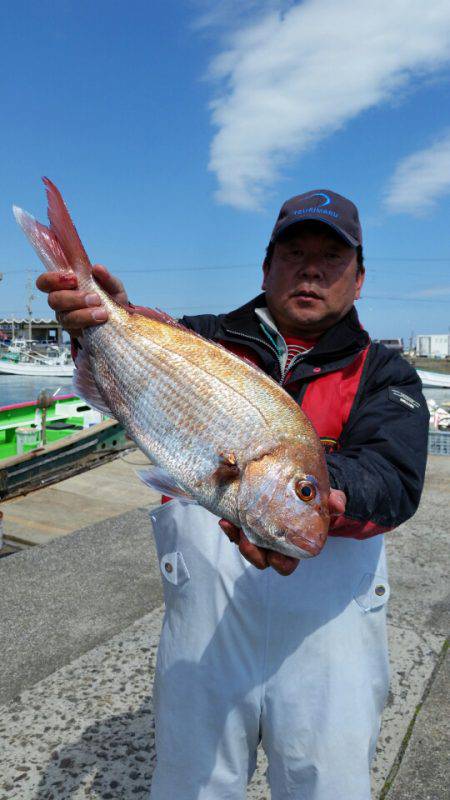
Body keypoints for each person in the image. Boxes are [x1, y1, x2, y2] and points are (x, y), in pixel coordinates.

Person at [37, 189, 429, 800]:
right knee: (192, 782)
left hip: (330, 633)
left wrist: (321, 496)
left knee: (327, 783)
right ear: (265, 266)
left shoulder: (385, 372)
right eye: (294, 251)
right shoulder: (201, 339)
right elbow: (123, 381)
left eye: (332, 257)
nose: (310, 268)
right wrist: (95, 329)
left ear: (359, 278)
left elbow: (394, 476)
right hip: (204, 621)